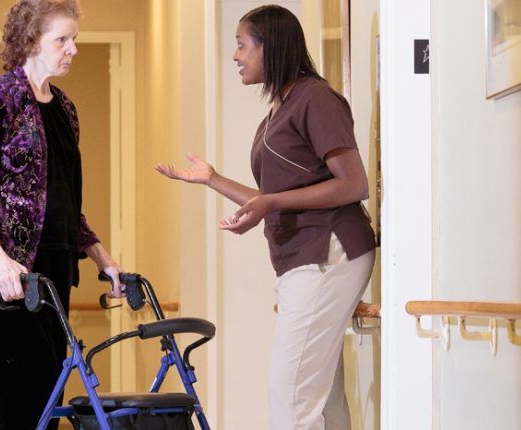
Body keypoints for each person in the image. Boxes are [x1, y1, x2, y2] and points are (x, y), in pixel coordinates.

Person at [155, 5, 375, 429]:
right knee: (321, 398)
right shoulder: (281, 106)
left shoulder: (315, 98)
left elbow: (353, 184)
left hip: (329, 251)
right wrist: (213, 179)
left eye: (241, 45)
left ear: (268, 47)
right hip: (303, 258)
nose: (235, 56)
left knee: (290, 396)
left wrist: (271, 205)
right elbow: (275, 197)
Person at [0, 0, 124, 428]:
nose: (72, 49)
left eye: (75, 40)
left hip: (57, 260)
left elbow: (66, 201)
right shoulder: (0, 97)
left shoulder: (66, 109)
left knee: (52, 385)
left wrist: (103, 258)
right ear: (31, 41)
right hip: (13, 266)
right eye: (62, 40)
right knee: (25, 393)